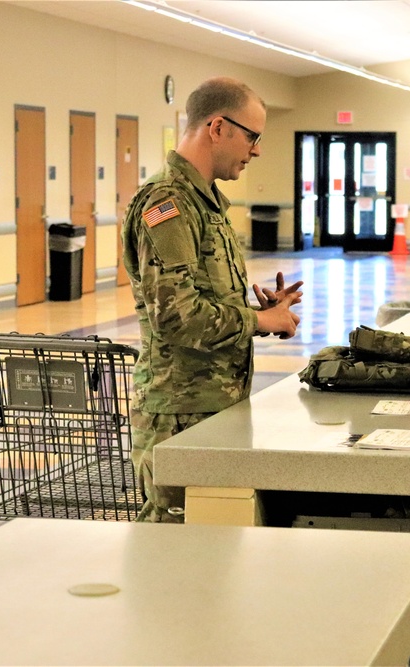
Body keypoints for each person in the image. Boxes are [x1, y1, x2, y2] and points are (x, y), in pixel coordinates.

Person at [122, 76, 303, 523]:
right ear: (218, 127)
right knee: (173, 543)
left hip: (213, 405)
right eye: (252, 136)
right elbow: (177, 319)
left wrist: (261, 313)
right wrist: (259, 323)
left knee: (214, 546)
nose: (256, 150)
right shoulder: (168, 205)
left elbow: (199, 300)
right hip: (180, 414)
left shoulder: (207, 204)